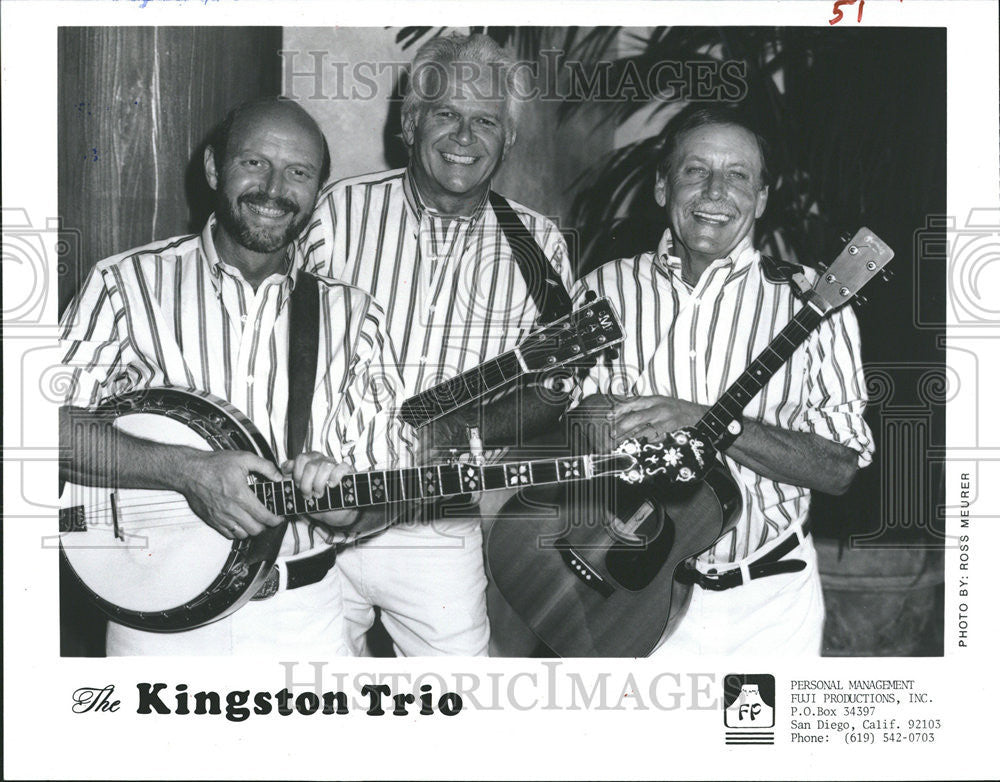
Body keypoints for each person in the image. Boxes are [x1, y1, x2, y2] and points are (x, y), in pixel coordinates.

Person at [59, 97, 414, 655]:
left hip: (305, 621)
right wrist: (186, 471)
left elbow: (390, 484)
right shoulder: (124, 285)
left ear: (318, 190)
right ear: (212, 168)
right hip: (155, 621)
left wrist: (349, 511)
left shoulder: (355, 316)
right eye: (254, 163)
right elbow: (35, 432)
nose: (275, 188)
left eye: (299, 172)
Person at [298, 34, 574, 656]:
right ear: (412, 121)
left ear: (508, 140)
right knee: (304, 704)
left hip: (437, 522)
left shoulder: (539, 246)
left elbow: (560, 386)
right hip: (315, 508)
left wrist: (463, 432)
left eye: (486, 121)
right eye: (447, 113)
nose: (464, 137)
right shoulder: (337, 213)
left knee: (462, 716)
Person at [573, 103, 874, 655]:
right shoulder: (601, 290)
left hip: (770, 604)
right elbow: (565, 418)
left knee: (756, 744)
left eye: (737, 175)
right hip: (633, 591)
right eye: (695, 170)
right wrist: (592, 419)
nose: (715, 191)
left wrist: (710, 423)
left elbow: (840, 469)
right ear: (663, 188)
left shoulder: (812, 300)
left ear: (760, 198)